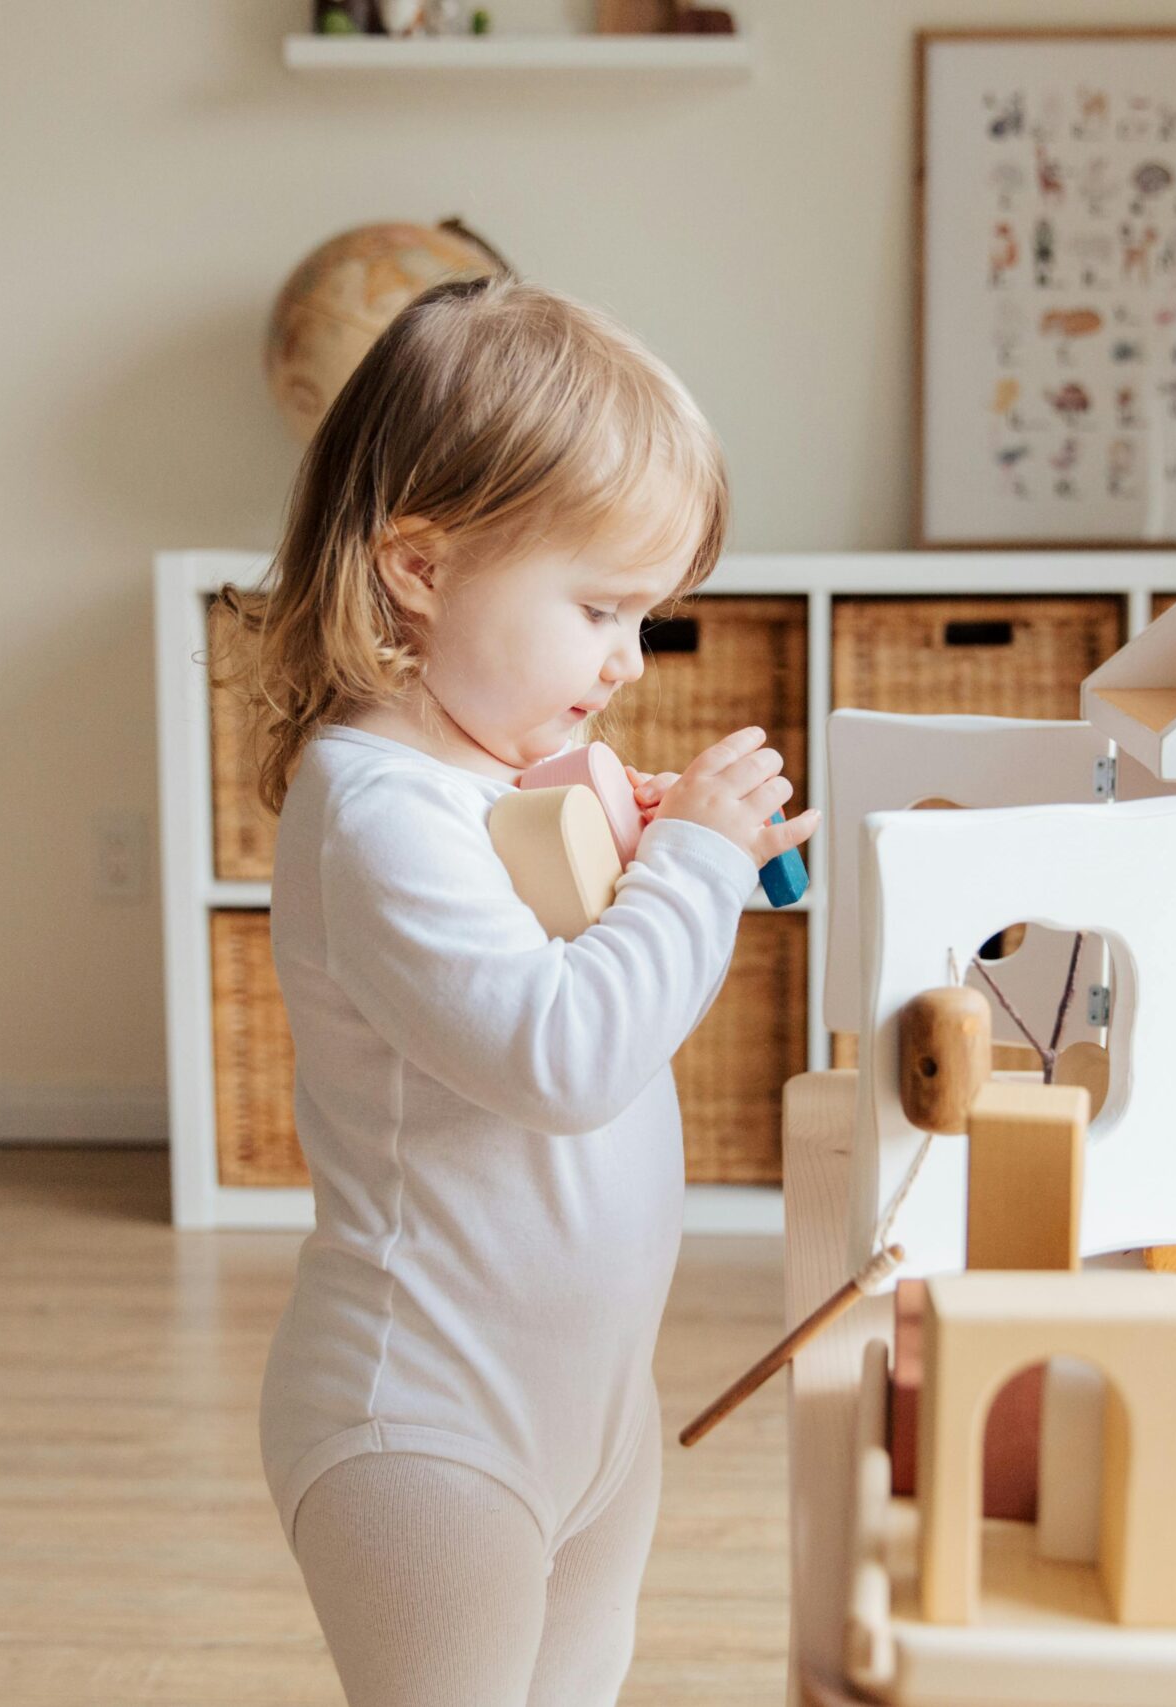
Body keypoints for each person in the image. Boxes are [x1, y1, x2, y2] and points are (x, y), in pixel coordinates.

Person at [225, 271, 817, 1706]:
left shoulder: (480, 779)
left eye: (649, 618)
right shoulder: (378, 811)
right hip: (429, 1426)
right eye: (604, 608)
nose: (626, 662)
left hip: (588, 1403)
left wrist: (633, 848)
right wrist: (686, 868)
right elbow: (563, 1057)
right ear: (419, 569)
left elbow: (563, 960)